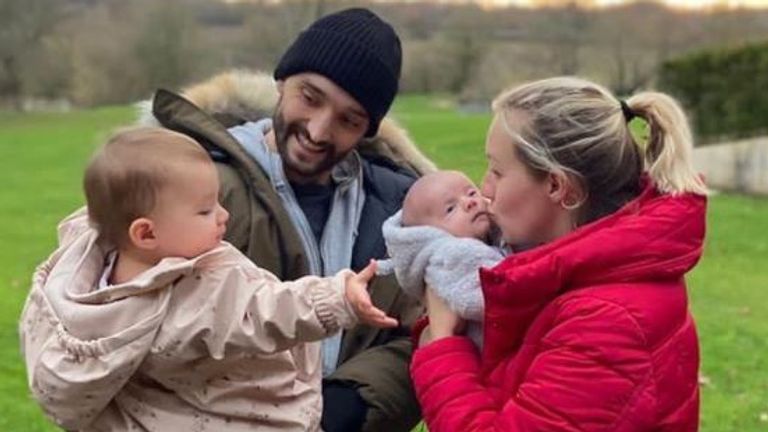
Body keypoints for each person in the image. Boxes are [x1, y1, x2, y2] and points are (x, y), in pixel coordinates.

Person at [142, 7, 432, 431]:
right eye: (310, 98)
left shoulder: (401, 208)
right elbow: (131, 323)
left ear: (369, 130)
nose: (318, 131)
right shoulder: (194, 186)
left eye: (348, 120)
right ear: (281, 82)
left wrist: (351, 402)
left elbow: (425, 332)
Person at [19, 127, 399, 431]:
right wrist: (338, 298)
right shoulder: (195, 295)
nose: (222, 216)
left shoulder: (87, 282)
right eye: (204, 209)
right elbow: (266, 311)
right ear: (146, 234)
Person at [411, 77, 707, 431]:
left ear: (557, 186)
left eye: (497, 171)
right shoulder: (577, 278)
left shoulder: (605, 324)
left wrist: (442, 345)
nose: (485, 189)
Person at [379, 170, 505, 347]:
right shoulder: (451, 256)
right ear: (429, 234)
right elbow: (490, 298)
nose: (469, 203)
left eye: (471, 193)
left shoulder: (491, 236)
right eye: (450, 209)